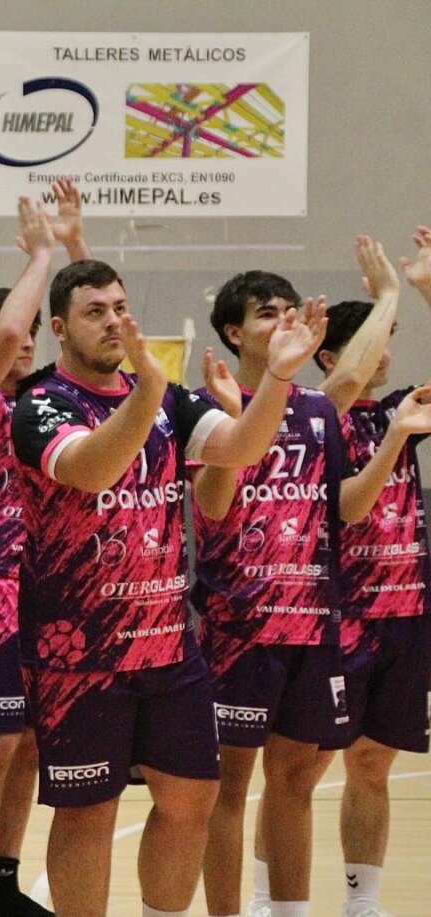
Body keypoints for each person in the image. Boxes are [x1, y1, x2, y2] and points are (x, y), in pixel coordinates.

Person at [9, 258, 326, 917]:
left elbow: (239, 446)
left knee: (191, 800)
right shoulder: (39, 405)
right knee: (88, 813)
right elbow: (92, 468)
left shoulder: (168, 399)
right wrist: (146, 394)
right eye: (96, 311)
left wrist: (279, 376)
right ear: (60, 328)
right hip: (79, 654)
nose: (115, 320)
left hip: (167, 643)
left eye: (121, 307)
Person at [192, 241, 431, 917]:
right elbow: (209, 505)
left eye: (291, 310)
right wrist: (387, 294)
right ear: (236, 331)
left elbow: (346, 505)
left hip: (312, 623)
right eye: (268, 313)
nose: (284, 321)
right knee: (228, 786)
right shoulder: (206, 405)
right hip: (240, 626)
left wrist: (393, 298)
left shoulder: (318, 412)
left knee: (295, 777)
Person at [0, 188, 88, 917]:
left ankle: (3, 880)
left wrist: (75, 245)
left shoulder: (57, 402)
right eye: (19, 327)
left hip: (54, 585)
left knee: (31, 741)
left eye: (38, 328)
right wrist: (40, 254)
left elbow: (102, 340)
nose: (27, 339)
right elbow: (6, 339)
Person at [315, 226, 431, 917]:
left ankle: (364, 901)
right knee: (301, 764)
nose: (384, 352)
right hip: (335, 614)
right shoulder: (310, 416)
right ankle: (276, 898)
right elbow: (349, 508)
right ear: (331, 356)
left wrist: (424, 290)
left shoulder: (401, 411)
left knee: (372, 764)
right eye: (371, 338)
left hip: (406, 613)